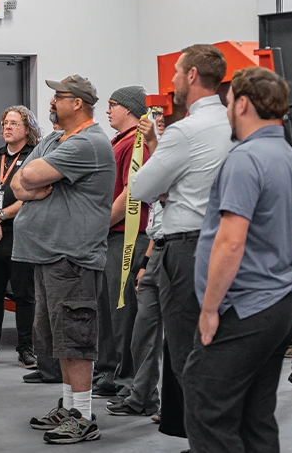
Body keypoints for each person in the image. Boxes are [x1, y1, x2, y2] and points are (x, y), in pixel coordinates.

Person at [184, 66, 292, 452]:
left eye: (228, 102)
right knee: (256, 417)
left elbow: (230, 242)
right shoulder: (288, 157)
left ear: (242, 103)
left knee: (207, 405)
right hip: (280, 303)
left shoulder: (246, 158)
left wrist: (209, 308)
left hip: (245, 306)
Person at [131, 44, 234, 439]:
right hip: (222, 244)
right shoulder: (231, 125)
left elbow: (142, 186)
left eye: (175, 72)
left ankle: (203, 442)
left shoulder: (184, 132)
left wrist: (167, 186)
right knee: (213, 348)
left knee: (187, 354)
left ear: (192, 76)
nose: (171, 80)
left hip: (187, 249)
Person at [12, 74, 114, 445]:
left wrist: (31, 184)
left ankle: (83, 417)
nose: (52, 101)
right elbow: (17, 181)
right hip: (48, 255)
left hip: (72, 257)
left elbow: (32, 173)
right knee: (59, 338)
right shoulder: (56, 139)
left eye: (59, 96)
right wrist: (30, 187)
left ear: (79, 104)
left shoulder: (89, 143)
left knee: (76, 337)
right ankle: (70, 406)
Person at [93, 86, 151, 399]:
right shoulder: (118, 142)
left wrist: (99, 225)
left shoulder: (136, 144)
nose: (108, 110)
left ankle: (124, 379)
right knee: (106, 311)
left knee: (121, 312)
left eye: (112, 104)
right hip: (111, 238)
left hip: (125, 239)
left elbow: (130, 195)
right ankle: (106, 375)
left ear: (128, 108)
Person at [107, 113, 166, 418]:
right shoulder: (153, 154)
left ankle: (162, 402)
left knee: (164, 334)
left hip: (172, 248)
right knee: (143, 330)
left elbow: (137, 192)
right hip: (156, 248)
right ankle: (142, 397)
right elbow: (155, 205)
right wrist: (145, 262)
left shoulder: (159, 154)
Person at [0, 105, 40, 369]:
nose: (7, 127)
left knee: (24, 294)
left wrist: (1, 216)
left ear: (27, 129)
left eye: (14, 123)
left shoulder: (34, 159)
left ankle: (26, 348)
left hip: (22, 232)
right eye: (5, 123)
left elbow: (33, 196)